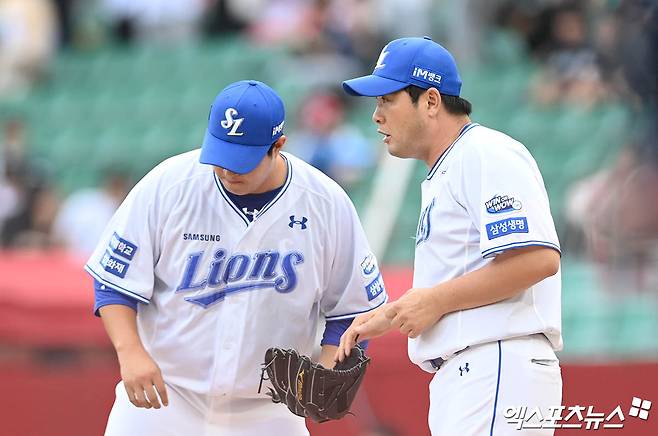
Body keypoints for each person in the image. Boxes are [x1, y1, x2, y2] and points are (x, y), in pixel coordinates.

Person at [85, 80, 387, 436]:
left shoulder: (325, 203)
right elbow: (113, 281)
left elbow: (354, 310)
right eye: (220, 157)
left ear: (278, 146)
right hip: (165, 399)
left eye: (240, 161)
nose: (227, 171)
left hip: (269, 412)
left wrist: (328, 367)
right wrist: (129, 352)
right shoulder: (169, 185)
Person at [336, 37, 562, 435]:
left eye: (387, 100)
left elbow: (537, 259)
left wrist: (434, 300)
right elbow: (464, 272)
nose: (376, 115)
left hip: (495, 364)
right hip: (475, 374)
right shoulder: (448, 166)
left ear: (431, 101)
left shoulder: (484, 151)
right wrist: (391, 314)